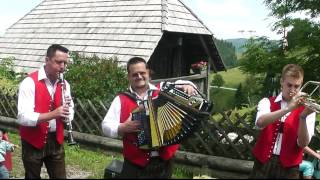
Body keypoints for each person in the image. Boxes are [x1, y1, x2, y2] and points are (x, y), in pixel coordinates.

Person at [101, 57, 198, 178]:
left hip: (164, 161)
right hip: (134, 163)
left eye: (142, 73)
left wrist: (189, 85)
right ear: (129, 77)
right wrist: (122, 127)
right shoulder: (121, 99)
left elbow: (183, 83)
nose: (139, 76)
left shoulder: (162, 90)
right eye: (134, 74)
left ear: (148, 73)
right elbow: (105, 126)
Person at [17, 44, 74, 179]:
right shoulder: (29, 82)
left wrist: (67, 116)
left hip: (56, 140)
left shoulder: (65, 84)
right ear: (47, 60)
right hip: (32, 140)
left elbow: (70, 109)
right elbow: (23, 117)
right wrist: (53, 114)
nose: (62, 67)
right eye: (58, 62)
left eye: (65, 63)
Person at [250, 64, 316, 179]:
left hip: (290, 169)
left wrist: (303, 117)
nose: (292, 90)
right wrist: (288, 108)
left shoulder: (307, 110)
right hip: (263, 164)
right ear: (282, 81)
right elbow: (260, 123)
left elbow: (302, 144)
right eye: (289, 85)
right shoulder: (267, 102)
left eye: (297, 86)